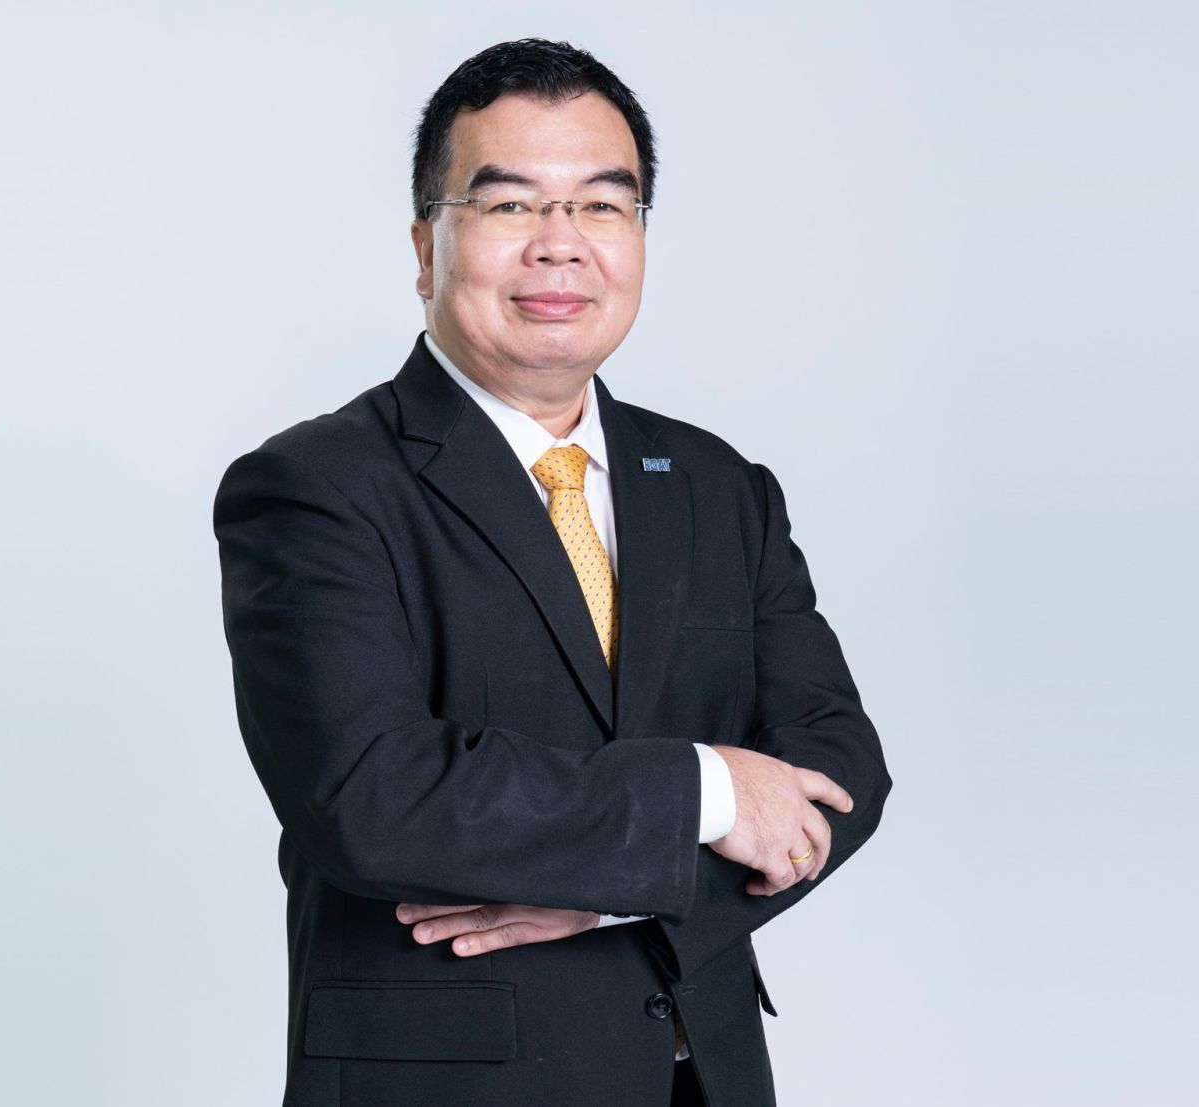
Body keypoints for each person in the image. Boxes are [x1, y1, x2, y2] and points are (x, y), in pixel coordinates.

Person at [214, 37, 892, 1107]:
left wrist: (622, 890)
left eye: (602, 206)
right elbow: (373, 796)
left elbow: (838, 767)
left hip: (704, 1079)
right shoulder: (316, 488)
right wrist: (707, 790)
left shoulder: (719, 484)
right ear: (426, 247)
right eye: (509, 205)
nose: (561, 245)